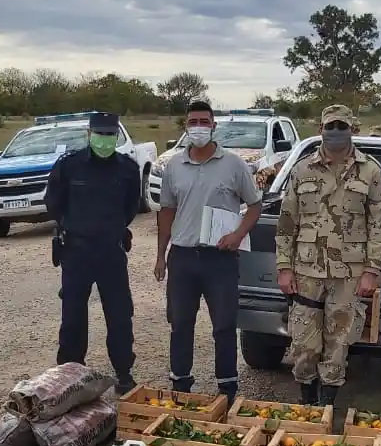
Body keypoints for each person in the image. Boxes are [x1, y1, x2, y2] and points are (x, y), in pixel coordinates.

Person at [276, 105, 381, 431]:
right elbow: (287, 224)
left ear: (352, 128)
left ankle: (326, 409)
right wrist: (284, 267)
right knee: (303, 344)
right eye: (330, 126)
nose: (335, 131)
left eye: (342, 125)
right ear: (320, 127)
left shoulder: (370, 171)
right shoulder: (301, 170)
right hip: (306, 274)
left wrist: (372, 270)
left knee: (339, 344)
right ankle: (307, 404)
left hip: (349, 277)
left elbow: (380, 225)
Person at [155, 99, 263, 403]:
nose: (199, 127)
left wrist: (239, 234)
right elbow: (166, 211)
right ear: (186, 126)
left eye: (205, 122)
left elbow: (254, 205)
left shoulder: (233, 164)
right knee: (180, 324)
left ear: (214, 126)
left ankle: (227, 390)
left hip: (221, 258)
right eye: (194, 122)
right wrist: (160, 256)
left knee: (225, 326)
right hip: (183, 258)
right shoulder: (174, 166)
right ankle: (181, 387)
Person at [43, 111, 141, 395]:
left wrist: (110, 228)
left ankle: (124, 372)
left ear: (116, 136)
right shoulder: (69, 166)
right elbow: (54, 203)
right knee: (73, 316)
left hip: (111, 252)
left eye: (110, 135)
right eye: (100, 134)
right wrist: (77, 227)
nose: (105, 140)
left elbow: (131, 207)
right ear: (89, 134)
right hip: (76, 251)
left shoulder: (127, 169)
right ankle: (70, 374)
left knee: (120, 315)